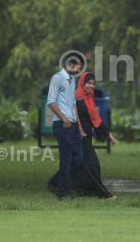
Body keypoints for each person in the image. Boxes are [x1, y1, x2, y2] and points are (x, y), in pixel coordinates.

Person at [45, 53, 85, 200]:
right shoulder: (57, 78)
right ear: (71, 64)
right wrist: (64, 120)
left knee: (78, 158)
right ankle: (63, 192)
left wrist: (79, 127)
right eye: (79, 67)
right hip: (62, 124)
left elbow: (73, 103)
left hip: (72, 125)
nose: (80, 70)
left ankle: (53, 183)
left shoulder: (72, 80)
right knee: (66, 160)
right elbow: (50, 101)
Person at [73, 72, 117, 200]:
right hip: (79, 135)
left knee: (81, 165)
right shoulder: (76, 97)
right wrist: (79, 130)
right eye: (89, 83)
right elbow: (73, 117)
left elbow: (95, 118)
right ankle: (102, 195)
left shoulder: (88, 98)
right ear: (82, 83)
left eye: (93, 84)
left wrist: (109, 133)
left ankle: (78, 192)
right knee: (93, 163)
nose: (91, 86)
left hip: (86, 135)